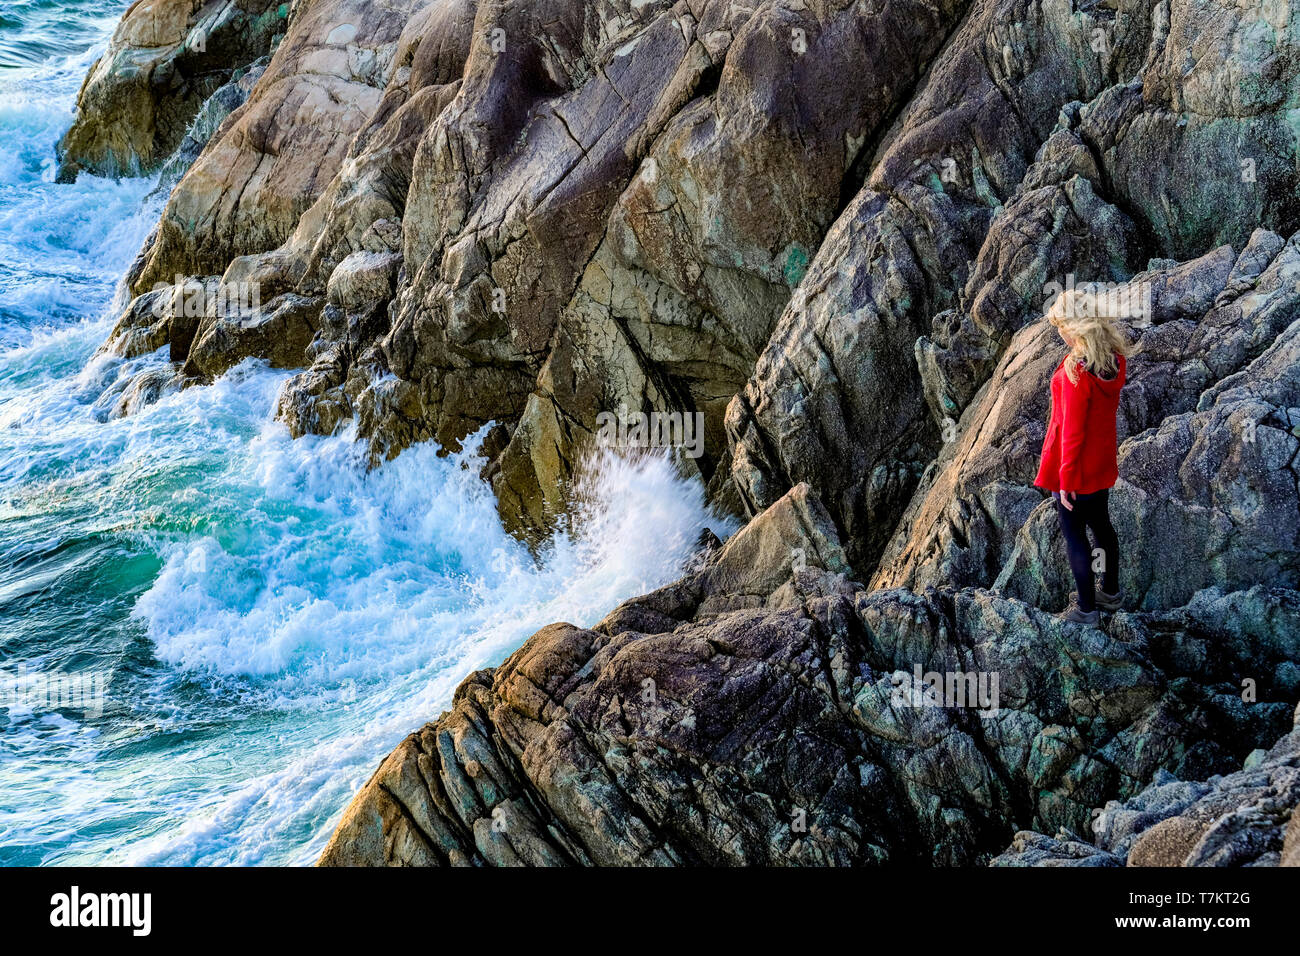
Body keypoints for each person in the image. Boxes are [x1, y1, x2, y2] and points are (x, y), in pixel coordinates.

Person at [1034, 288, 1135, 625]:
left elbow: (1073, 433)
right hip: (1101, 465)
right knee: (1102, 528)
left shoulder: (1076, 373)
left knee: (1075, 535)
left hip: (1076, 469)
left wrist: (1065, 481)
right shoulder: (1112, 360)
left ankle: (1087, 609)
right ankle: (1110, 591)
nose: (1059, 333)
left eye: (1061, 326)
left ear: (1075, 328)